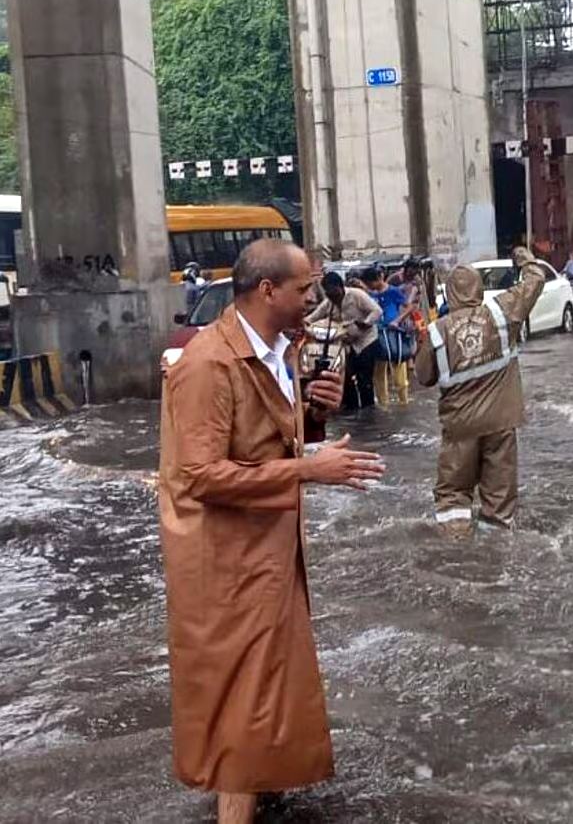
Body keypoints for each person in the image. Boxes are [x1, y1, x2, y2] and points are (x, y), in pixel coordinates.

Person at [158, 239, 385, 824]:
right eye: (304, 288)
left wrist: (313, 415)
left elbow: (266, 444)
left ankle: (268, 787)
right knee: (243, 695)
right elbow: (202, 475)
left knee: (272, 683)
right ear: (267, 291)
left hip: (269, 548)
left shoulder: (277, 351)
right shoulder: (208, 364)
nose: (313, 297)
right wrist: (311, 468)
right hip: (227, 562)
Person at [415, 246, 546, 537]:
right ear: (479, 288)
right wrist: (525, 260)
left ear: (449, 294)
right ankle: (495, 551)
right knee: (499, 496)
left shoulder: (438, 331)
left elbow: (423, 377)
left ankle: (456, 546)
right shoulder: (502, 312)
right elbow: (535, 281)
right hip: (501, 423)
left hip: (460, 427)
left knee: (453, 494)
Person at [306, 271, 382, 411]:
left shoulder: (356, 295)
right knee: (346, 379)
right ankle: (351, 410)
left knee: (364, 380)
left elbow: (376, 311)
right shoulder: (329, 303)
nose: (333, 297)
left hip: (366, 341)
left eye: (335, 293)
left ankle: (368, 411)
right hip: (346, 345)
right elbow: (312, 318)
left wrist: (366, 322)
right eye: (329, 294)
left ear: (341, 288)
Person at [365, 267, 410, 406]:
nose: (371, 286)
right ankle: (383, 404)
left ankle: (404, 401)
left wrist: (397, 321)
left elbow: (409, 307)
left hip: (393, 334)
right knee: (379, 371)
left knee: (398, 369)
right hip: (377, 335)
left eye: (371, 282)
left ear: (379, 277)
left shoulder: (393, 291)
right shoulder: (370, 294)